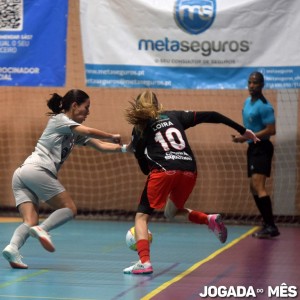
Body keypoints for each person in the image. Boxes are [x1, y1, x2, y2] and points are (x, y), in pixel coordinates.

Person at [123, 90, 259, 275]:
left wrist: (138, 150)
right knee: (171, 212)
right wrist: (243, 130)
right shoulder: (174, 116)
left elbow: (145, 169)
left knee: (141, 217)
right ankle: (208, 219)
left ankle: (144, 262)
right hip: (189, 169)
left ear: (138, 106)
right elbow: (214, 115)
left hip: (164, 170)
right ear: (157, 103)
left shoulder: (139, 128)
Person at [2, 89, 128, 269]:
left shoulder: (72, 132)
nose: (88, 112)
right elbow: (90, 132)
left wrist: (125, 148)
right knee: (69, 208)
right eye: (86, 107)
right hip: (37, 170)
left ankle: (13, 248)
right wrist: (111, 135)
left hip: (22, 174)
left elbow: (99, 146)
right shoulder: (60, 120)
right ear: (75, 106)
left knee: (30, 221)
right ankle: (43, 230)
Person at [232, 71, 280, 239]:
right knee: (253, 187)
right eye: (250, 82)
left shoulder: (265, 106)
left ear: (262, 85)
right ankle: (267, 223)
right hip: (252, 148)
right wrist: (243, 137)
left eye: (256, 83)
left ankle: (271, 226)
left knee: (259, 186)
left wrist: (248, 136)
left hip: (262, 148)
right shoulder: (247, 101)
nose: (252, 85)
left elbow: (271, 130)